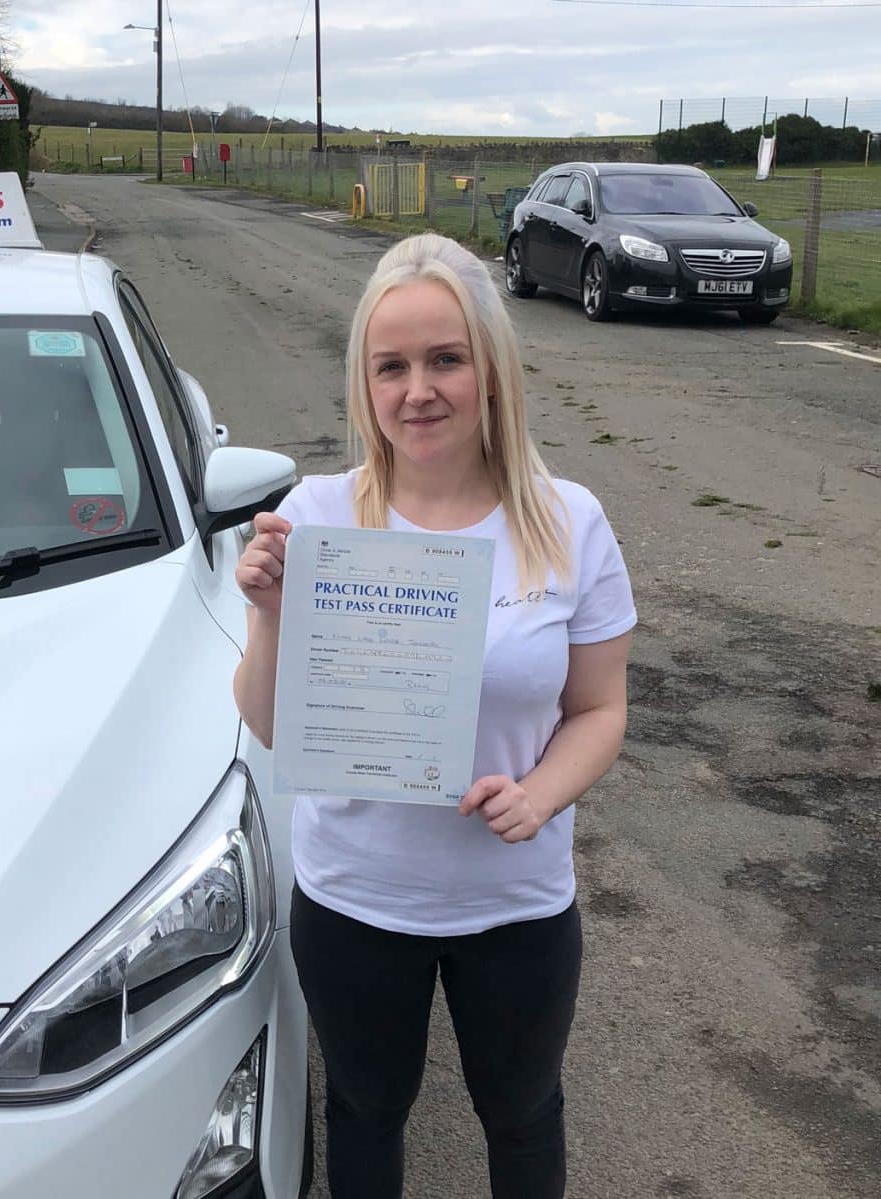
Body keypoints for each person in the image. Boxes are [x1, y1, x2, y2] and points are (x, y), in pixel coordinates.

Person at [232, 232, 636, 1199]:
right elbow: (273, 723)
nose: (419, 389)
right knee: (366, 1111)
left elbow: (600, 708)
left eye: (445, 359)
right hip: (356, 900)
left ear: (489, 369)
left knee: (524, 1114)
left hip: (516, 902)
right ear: (365, 384)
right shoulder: (318, 516)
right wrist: (271, 612)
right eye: (392, 366)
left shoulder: (568, 520)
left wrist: (541, 794)